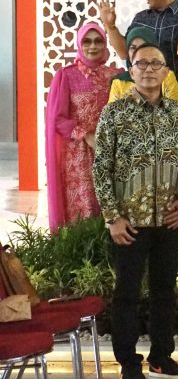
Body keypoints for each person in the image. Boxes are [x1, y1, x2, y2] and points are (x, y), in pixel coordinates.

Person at [92, 43, 178, 379]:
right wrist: (112, 217)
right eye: (141, 63)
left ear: (166, 71)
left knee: (165, 291)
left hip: (168, 220)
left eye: (156, 64)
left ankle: (161, 358)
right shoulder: (114, 113)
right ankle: (128, 361)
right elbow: (101, 168)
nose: (149, 69)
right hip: (129, 223)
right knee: (127, 294)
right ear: (130, 70)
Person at [45, 22, 120, 232]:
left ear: (105, 44)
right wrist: (86, 135)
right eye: (87, 41)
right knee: (84, 207)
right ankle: (81, 252)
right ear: (79, 44)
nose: (92, 46)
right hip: (78, 154)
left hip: (111, 150)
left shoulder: (116, 75)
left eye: (98, 41)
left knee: (111, 205)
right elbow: (58, 119)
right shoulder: (66, 75)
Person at [108, 27, 178, 103]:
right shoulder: (119, 82)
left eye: (143, 47)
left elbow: (175, 108)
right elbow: (112, 110)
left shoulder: (166, 76)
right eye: (133, 48)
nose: (137, 52)